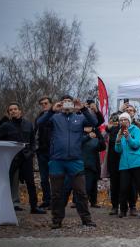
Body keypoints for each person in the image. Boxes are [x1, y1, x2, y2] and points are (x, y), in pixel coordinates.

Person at [36, 96, 99, 229]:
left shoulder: (80, 118)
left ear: (73, 104)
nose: (66, 105)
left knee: (81, 192)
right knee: (56, 193)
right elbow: (39, 123)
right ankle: (56, 220)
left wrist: (83, 109)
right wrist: (52, 111)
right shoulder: (54, 117)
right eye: (64, 102)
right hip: (57, 160)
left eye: (69, 102)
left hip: (75, 160)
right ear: (60, 104)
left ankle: (86, 220)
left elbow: (94, 122)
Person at [0, 102, 45, 214]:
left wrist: (31, 152)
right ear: (9, 113)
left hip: (26, 157)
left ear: (20, 111)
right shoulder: (5, 126)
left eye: (15, 109)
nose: (13, 111)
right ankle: (3, 206)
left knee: (30, 182)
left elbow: (33, 141)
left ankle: (34, 207)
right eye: (11, 110)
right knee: (6, 182)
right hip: (11, 158)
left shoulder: (28, 124)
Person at [114, 112, 140, 219]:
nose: (123, 121)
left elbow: (136, 145)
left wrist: (128, 137)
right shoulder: (119, 132)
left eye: (125, 119)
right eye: (121, 120)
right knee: (123, 188)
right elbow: (118, 150)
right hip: (124, 165)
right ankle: (123, 210)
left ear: (129, 121)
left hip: (137, 163)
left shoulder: (136, 130)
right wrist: (118, 140)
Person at [35, 96, 54, 209]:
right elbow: (35, 133)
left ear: (51, 104)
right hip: (41, 151)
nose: (44, 105)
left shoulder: (56, 116)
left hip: (53, 152)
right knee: (43, 178)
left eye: (46, 103)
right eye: (42, 104)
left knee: (55, 177)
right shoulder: (39, 117)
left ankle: (54, 201)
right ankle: (46, 200)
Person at [80, 125, 106, 208]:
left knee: (94, 184)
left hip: (94, 164)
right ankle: (83, 202)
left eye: (90, 127)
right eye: (87, 126)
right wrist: (88, 136)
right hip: (84, 164)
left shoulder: (95, 136)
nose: (89, 128)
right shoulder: (80, 134)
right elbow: (78, 142)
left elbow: (103, 147)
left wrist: (99, 134)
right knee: (86, 185)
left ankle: (93, 201)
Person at [105, 112, 124, 216]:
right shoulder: (111, 130)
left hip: (124, 160)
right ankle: (115, 206)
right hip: (113, 161)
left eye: (118, 120)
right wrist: (108, 128)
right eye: (114, 120)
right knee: (114, 185)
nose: (116, 122)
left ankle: (124, 206)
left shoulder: (126, 129)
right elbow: (107, 138)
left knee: (125, 185)